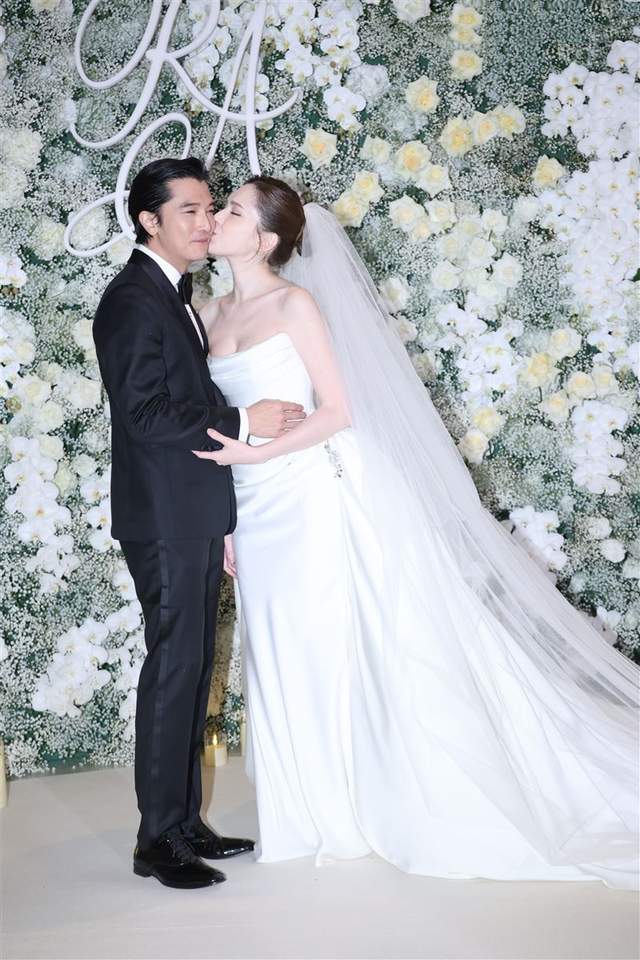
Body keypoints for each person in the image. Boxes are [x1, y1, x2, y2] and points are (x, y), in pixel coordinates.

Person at [195, 174, 640, 890]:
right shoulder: (208, 311)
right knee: (274, 646)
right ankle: (303, 812)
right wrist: (226, 516)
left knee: (321, 640)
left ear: (266, 238)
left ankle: (348, 806)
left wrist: (255, 456)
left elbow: (336, 410)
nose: (218, 217)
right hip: (250, 503)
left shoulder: (294, 304)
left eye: (234, 210)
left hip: (308, 491)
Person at [92, 158, 307, 890]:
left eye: (211, 208)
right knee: (174, 668)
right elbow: (146, 414)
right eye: (189, 209)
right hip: (164, 517)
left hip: (191, 512)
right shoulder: (132, 299)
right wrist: (244, 420)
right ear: (149, 220)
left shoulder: (174, 293)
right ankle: (157, 841)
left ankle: (183, 823)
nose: (206, 221)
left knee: (191, 667)